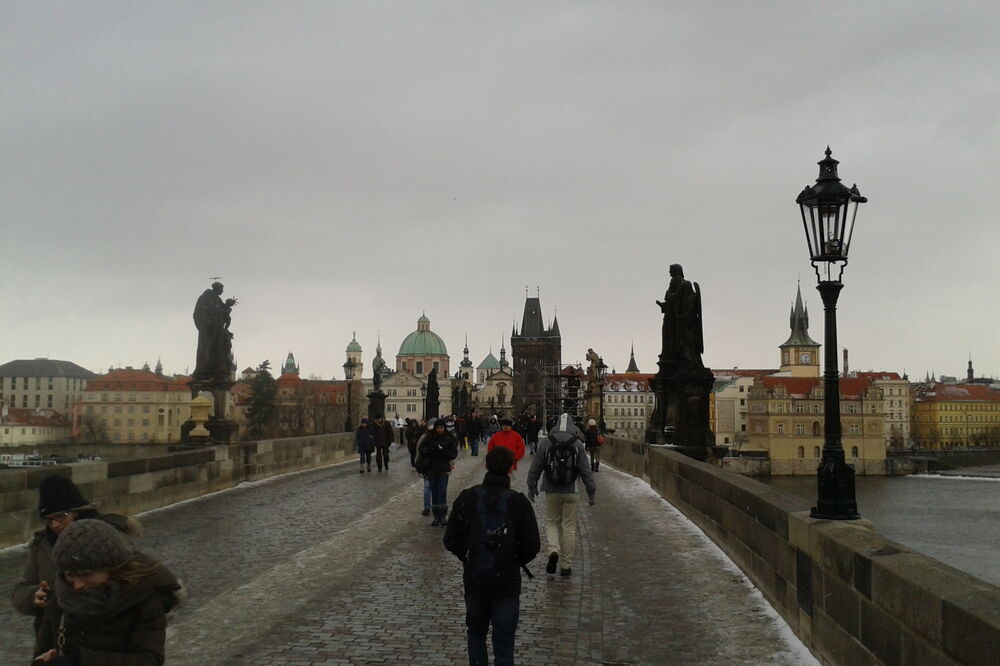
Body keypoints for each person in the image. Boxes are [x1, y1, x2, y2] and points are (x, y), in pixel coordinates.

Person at [32, 519, 182, 665]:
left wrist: (81, 661)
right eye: (70, 574)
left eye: (86, 574)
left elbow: (150, 660)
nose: (77, 585)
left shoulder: (143, 598)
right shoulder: (61, 595)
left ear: (112, 569)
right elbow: (43, 650)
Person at [11, 476, 140, 641]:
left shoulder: (107, 537)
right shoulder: (42, 544)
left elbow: (133, 583)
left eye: (61, 516)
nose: (55, 525)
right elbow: (21, 588)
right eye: (49, 520)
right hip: (53, 636)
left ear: (78, 512)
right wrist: (34, 596)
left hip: (104, 634)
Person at [444, 447, 541, 666]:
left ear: (486, 466)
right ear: (510, 468)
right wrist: (513, 560)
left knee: (476, 634)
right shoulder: (518, 502)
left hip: (475, 580)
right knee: (504, 642)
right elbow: (532, 545)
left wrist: (467, 556)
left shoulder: (467, 498)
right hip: (507, 584)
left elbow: (450, 539)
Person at [526, 413, 596, 578]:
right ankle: (566, 565)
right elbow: (586, 471)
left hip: (551, 490)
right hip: (571, 490)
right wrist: (591, 492)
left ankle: (553, 550)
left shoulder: (547, 441)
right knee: (569, 528)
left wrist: (532, 486)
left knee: (551, 523)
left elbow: (536, 466)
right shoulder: (578, 443)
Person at [192, 281, 237, 382]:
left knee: (225, 345)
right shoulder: (206, 297)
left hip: (218, 330)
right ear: (216, 288)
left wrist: (228, 305)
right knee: (208, 350)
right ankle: (205, 371)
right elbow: (199, 312)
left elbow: (224, 311)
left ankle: (221, 369)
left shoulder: (217, 299)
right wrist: (207, 324)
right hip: (209, 330)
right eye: (221, 289)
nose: (222, 291)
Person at [418, 418, 459, 526]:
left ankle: (443, 516)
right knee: (435, 493)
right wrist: (431, 449)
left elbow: (453, 454)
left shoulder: (449, 438)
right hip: (432, 469)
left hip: (443, 470)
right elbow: (421, 449)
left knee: (442, 492)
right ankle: (436, 517)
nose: (440, 429)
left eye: (441, 427)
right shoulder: (429, 438)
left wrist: (444, 451)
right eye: (438, 428)